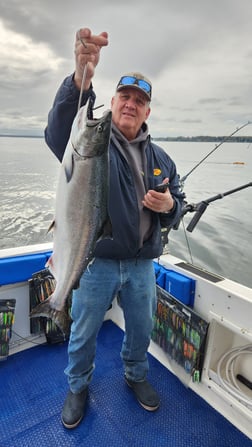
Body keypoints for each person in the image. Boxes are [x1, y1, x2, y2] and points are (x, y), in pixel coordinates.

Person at [45, 27, 184, 429]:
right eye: (124, 97)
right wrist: (79, 76)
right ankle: (78, 385)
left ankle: (135, 374)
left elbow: (178, 208)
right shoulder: (94, 146)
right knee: (84, 330)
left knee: (141, 329)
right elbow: (59, 131)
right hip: (97, 261)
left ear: (147, 112)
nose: (130, 104)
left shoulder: (163, 160)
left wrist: (170, 205)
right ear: (112, 101)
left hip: (142, 264)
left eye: (139, 101)